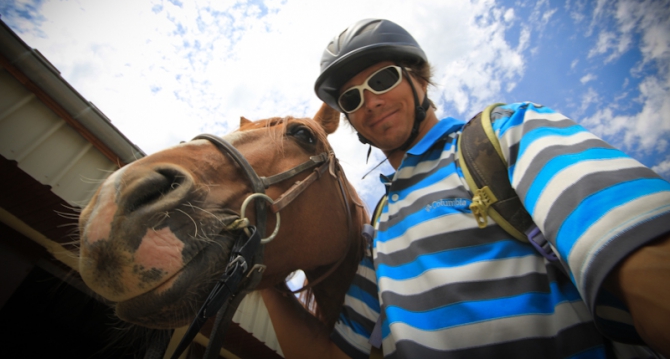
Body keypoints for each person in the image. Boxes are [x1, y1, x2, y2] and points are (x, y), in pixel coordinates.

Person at [261, 18, 670, 358]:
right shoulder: (381, 227)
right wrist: (265, 280)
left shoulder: (507, 131)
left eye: (383, 79)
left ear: (420, 79)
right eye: (352, 98)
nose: (370, 101)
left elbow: (641, 263)